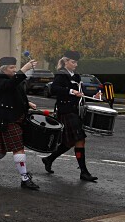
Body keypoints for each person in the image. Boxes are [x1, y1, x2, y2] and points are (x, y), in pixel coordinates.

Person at [0, 56, 40, 190]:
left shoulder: (13, 79)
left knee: (1, 151)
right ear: (3, 69)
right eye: (11, 68)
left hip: (17, 117)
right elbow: (8, 87)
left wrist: (27, 103)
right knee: (18, 148)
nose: (14, 70)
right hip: (6, 118)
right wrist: (24, 70)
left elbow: (15, 93)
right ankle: (24, 178)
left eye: (15, 67)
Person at [41, 50, 98, 182]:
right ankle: (84, 172)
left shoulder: (76, 76)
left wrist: (93, 97)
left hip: (75, 111)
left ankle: (49, 159)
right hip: (65, 111)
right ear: (66, 62)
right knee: (79, 139)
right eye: (73, 62)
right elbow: (54, 89)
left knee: (70, 141)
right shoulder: (61, 74)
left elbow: (80, 93)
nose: (75, 64)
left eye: (76, 62)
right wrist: (71, 91)